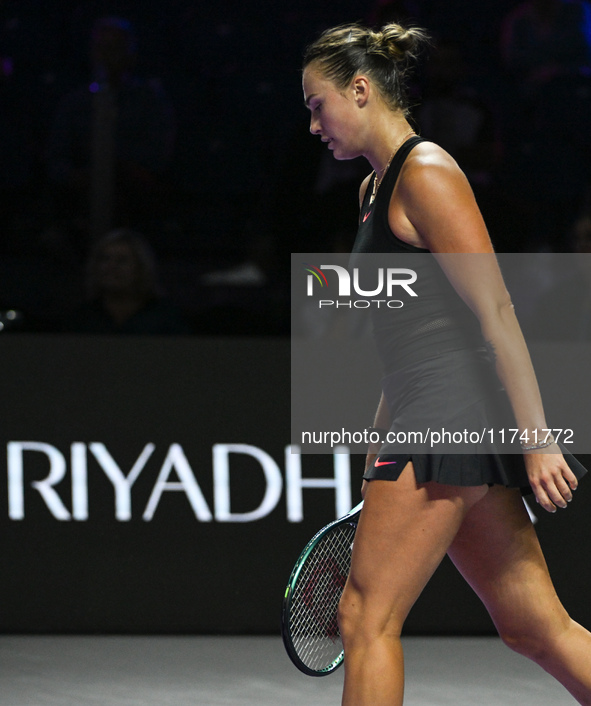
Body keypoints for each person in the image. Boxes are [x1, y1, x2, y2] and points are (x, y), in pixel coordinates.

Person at [302, 22, 591, 706]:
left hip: (448, 414)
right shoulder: (372, 190)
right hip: (426, 413)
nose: (312, 125)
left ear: (362, 90)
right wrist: (377, 436)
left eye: (317, 105)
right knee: (533, 629)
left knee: (364, 619)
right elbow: (394, 334)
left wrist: (536, 437)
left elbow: (495, 309)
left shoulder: (427, 172)